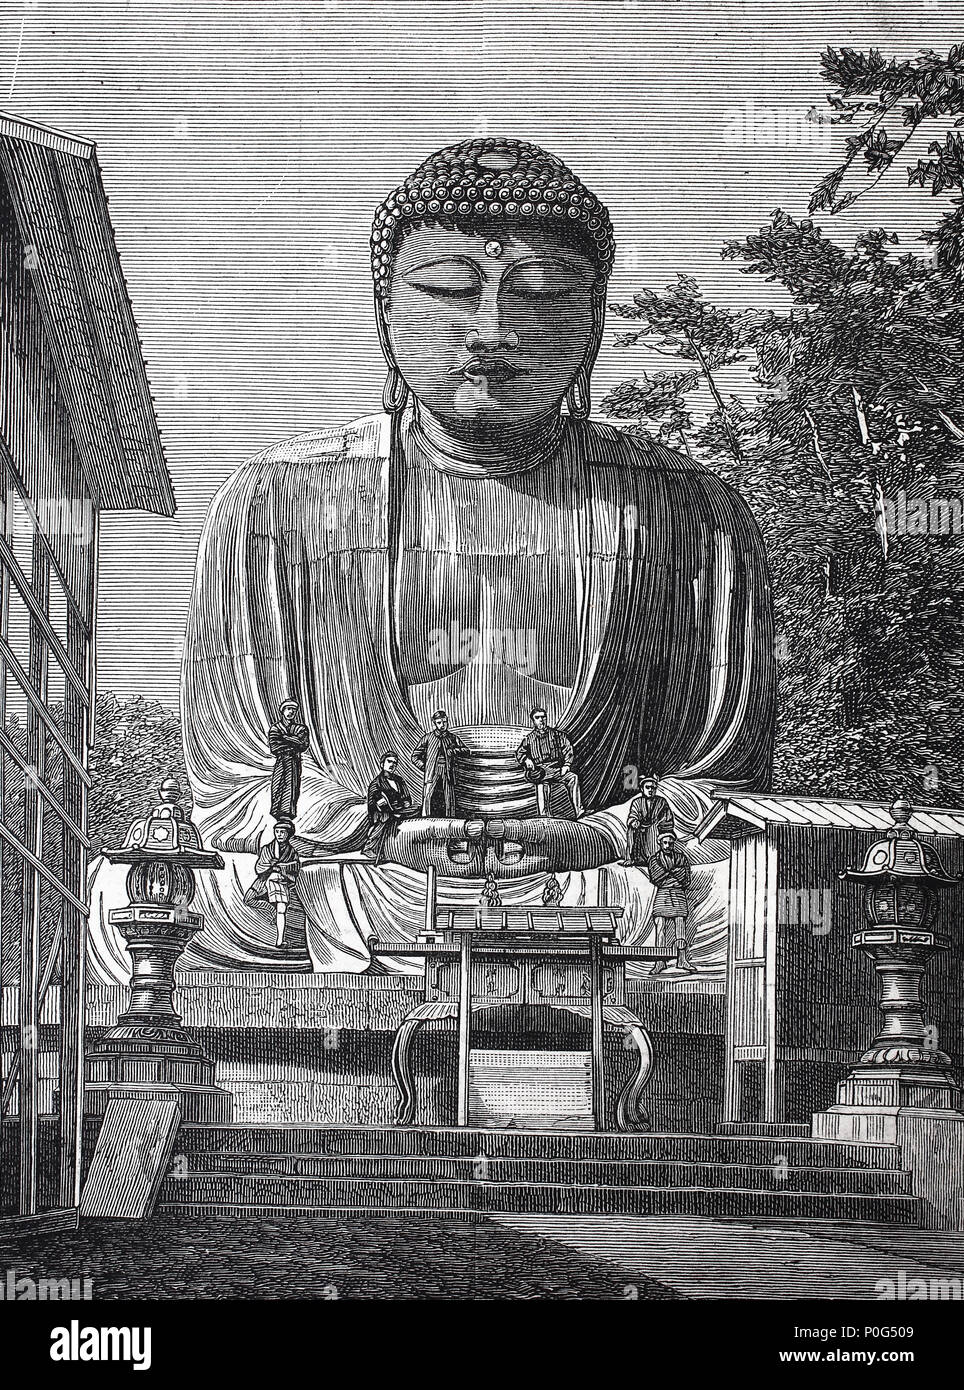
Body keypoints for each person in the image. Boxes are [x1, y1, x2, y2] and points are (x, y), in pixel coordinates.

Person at [170, 136, 775, 973]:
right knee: (165, 891)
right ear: (384, 308)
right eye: (450, 289)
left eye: (542, 295)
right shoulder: (277, 500)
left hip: (599, 878)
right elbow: (233, 788)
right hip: (364, 878)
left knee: (755, 902)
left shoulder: (691, 511)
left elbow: (725, 787)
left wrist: (594, 833)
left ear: (594, 318)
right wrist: (378, 825)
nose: (491, 331)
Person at [516, 708, 583, 818]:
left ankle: (578, 811)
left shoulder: (557, 735)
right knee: (541, 785)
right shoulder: (529, 739)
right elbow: (520, 753)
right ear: (533, 721)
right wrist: (526, 759)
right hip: (541, 772)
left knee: (573, 778)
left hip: (557, 769)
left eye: (543, 717)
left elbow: (568, 748)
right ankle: (545, 816)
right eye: (537, 718)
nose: (541, 720)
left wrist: (567, 764)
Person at [244, 820, 301, 948]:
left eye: (282, 832)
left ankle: (279, 941)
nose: (279, 834)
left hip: (280, 881)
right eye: (277, 832)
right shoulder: (267, 848)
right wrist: (271, 866)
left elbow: (296, 867)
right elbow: (259, 867)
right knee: (248, 899)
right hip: (264, 881)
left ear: (288, 834)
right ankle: (270, 909)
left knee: (281, 910)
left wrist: (281, 867)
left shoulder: (292, 852)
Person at [647, 830, 696, 976]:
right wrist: (674, 874)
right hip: (663, 894)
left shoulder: (681, 858)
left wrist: (668, 874)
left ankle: (682, 959)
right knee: (660, 927)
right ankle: (659, 961)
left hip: (678, 894)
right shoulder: (654, 859)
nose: (668, 846)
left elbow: (685, 878)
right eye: (665, 843)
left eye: (670, 843)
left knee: (680, 927)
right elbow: (656, 877)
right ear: (660, 843)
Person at [413, 710, 469, 816]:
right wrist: (426, 768)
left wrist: (453, 751)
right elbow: (415, 756)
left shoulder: (452, 738)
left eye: (444, 722)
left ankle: (450, 823)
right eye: (439, 722)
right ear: (434, 724)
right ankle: (426, 821)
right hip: (431, 773)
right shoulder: (427, 738)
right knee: (428, 798)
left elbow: (466, 751)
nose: (442, 725)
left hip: (447, 771)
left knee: (448, 799)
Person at [364, 753, 414, 863]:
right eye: (389, 761)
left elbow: (407, 798)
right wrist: (380, 804)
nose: (392, 765)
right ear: (382, 764)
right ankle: (369, 847)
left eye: (394, 763)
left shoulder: (400, 781)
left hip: (400, 809)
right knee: (384, 818)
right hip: (383, 811)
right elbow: (371, 803)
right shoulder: (376, 783)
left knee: (418, 810)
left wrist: (406, 803)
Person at [268, 700, 310, 823]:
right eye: (288, 709)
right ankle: (277, 813)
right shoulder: (275, 728)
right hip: (281, 762)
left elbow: (303, 745)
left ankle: (287, 814)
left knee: (291, 788)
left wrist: (284, 739)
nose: (291, 712)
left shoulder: (301, 728)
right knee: (278, 787)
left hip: (294, 762)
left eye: (293, 710)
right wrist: (293, 741)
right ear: (283, 711)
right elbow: (274, 747)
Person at [625, 776, 675, 866]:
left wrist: (658, 825)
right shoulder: (637, 802)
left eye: (653, 788)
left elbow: (667, 819)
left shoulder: (661, 802)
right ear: (642, 789)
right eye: (647, 787)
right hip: (640, 830)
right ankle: (633, 858)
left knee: (655, 830)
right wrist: (634, 822)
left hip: (655, 830)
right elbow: (633, 815)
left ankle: (657, 859)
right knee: (631, 830)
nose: (650, 790)